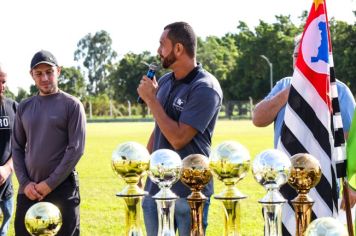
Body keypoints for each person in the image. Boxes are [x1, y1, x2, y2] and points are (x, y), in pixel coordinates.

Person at [252, 35, 356, 234]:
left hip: (325, 184)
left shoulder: (339, 91)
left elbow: (352, 144)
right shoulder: (284, 85)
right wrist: (290, 91)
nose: (300, 61)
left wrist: (351, 186)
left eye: (306, 57)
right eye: (296, 56)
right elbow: (258, 119)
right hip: (283, 183)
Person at [137, 21, 223, 236]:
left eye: (162, 45)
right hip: (156, 186)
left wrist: (151, 101)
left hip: (190, 190)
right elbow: (159, 129)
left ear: (178, 48)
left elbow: (178, 138)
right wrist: (142, 166)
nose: (158, 51)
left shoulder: (205, 87)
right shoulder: (166, 81)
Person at [12, 50, 86, 236]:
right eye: (39, 73)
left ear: (58, 71)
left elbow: (75, 149)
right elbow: (17, 147)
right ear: (32, 75)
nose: (45, 77)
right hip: (28, 192)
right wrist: (25, 183)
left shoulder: (72, 105)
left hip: (62, 190)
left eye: (49, 72)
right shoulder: (24, 107)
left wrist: (49, 184)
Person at [0, 63, 17, 236]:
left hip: (6, 192)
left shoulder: (13, 108)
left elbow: (23, 145)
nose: (1, 86)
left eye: (3, 82)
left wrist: (7, 168)